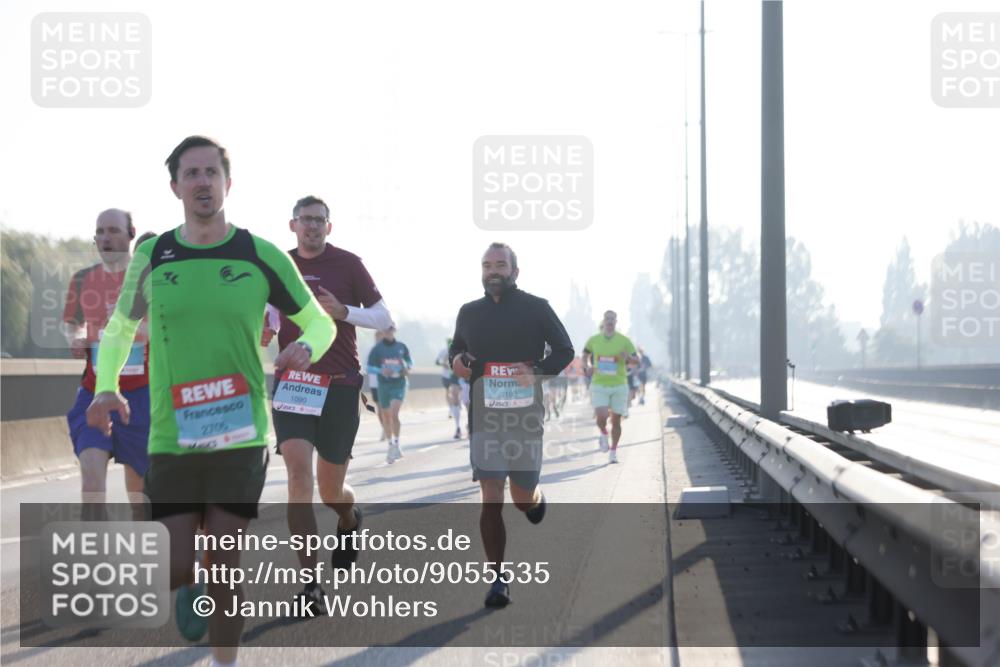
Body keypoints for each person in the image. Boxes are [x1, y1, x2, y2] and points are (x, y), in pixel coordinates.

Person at [86, 136, 335, 667]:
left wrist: (305, 345)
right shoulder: (155, 255)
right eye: (191, 173)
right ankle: (185, 578)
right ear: (175, 186)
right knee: (177, 563)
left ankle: (226, 662)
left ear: (227, 182)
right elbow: (120, 327)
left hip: (239, 430)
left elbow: (320, 320)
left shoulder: (258, 253)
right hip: (172, 434)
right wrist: (106, 385)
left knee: (224, 560)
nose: (202, 181)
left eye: (211, 172)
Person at [271, 194, 393, 617]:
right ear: (293, 226)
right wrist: (264, 332)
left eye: (319, 220)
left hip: (340, 386)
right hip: (294, 385)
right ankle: (310, 584)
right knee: (298, 478)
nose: (312, 226)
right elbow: (266, 315)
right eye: (305, 220)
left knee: (329, 491)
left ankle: (349, 518)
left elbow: (383, 318)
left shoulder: (349, 264)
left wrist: (345, 312)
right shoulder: (279, 266)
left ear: (329, 226)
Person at [450, 242, 573, 608]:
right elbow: (457, 351)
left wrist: (536, 371)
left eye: (500, 265)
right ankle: (497, 580)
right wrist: (458, 360)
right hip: (485, 416)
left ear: (515, 272)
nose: (493, 271)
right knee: (491, 495)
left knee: (520, 499)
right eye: (487, 265)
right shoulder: (469, 312)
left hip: (525, 417)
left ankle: (534, 498)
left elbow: (565, 350)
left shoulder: (537, 308)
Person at [63, 209, 150, 512]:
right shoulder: (83, 279)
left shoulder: (146, 279)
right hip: (95, 392)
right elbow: (72, 322)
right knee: (91, 479)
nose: (106, 238)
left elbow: (160, 328)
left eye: (113, 230)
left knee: (139, 492)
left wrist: (132, 330)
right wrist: (74, 337)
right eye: (100, 232)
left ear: (131, 234)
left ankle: (149, 550)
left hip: (141, 395)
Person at [582, 311, 638, 464]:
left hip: (619, 384)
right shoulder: (594, 340)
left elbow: (636, 360)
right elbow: (585, 355)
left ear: (616, 321)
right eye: (607, 319)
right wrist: (587, 367)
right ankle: (603, 432)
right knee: (601, 416)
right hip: (599, 383)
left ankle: (613, 451)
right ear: (604, 321)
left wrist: (628, 358)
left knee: (616, 420)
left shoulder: (624, 340)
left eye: (613, 319)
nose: (610, 321)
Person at [367, 326, 412, 463]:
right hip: (384, 385)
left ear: (394, 330)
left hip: (399, 383)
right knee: (386, 417)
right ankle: (391, 445)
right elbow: (369, 367)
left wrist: (408, 368)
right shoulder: (377, 349)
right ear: (383, 331)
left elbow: (409, 361)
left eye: (391, 329)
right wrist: (381, 370)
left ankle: (397, 443)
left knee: (394, 413)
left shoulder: (401, 346)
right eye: (386, 329)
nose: (388, 331)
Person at [437, 338, 464, 439]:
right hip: (453, 376)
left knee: (467, 402)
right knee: (453, 395)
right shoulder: (445, 352)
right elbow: (437, 361)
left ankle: (470, 425)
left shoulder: (465, 347)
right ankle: (458, 428)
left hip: (466, 377)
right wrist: (444, 364)